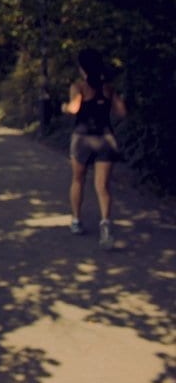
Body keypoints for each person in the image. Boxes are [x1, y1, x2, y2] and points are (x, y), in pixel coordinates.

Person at [62, 48, 127, 249]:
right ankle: (105, 224)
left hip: (82, 139)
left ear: (82, 68)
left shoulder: (78, 87)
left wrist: (64, 107)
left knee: (78, 180)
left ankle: (76, 220)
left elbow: (74, 109)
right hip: (105, 139)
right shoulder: (108, 89)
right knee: (103, 186)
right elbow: (122, 112)